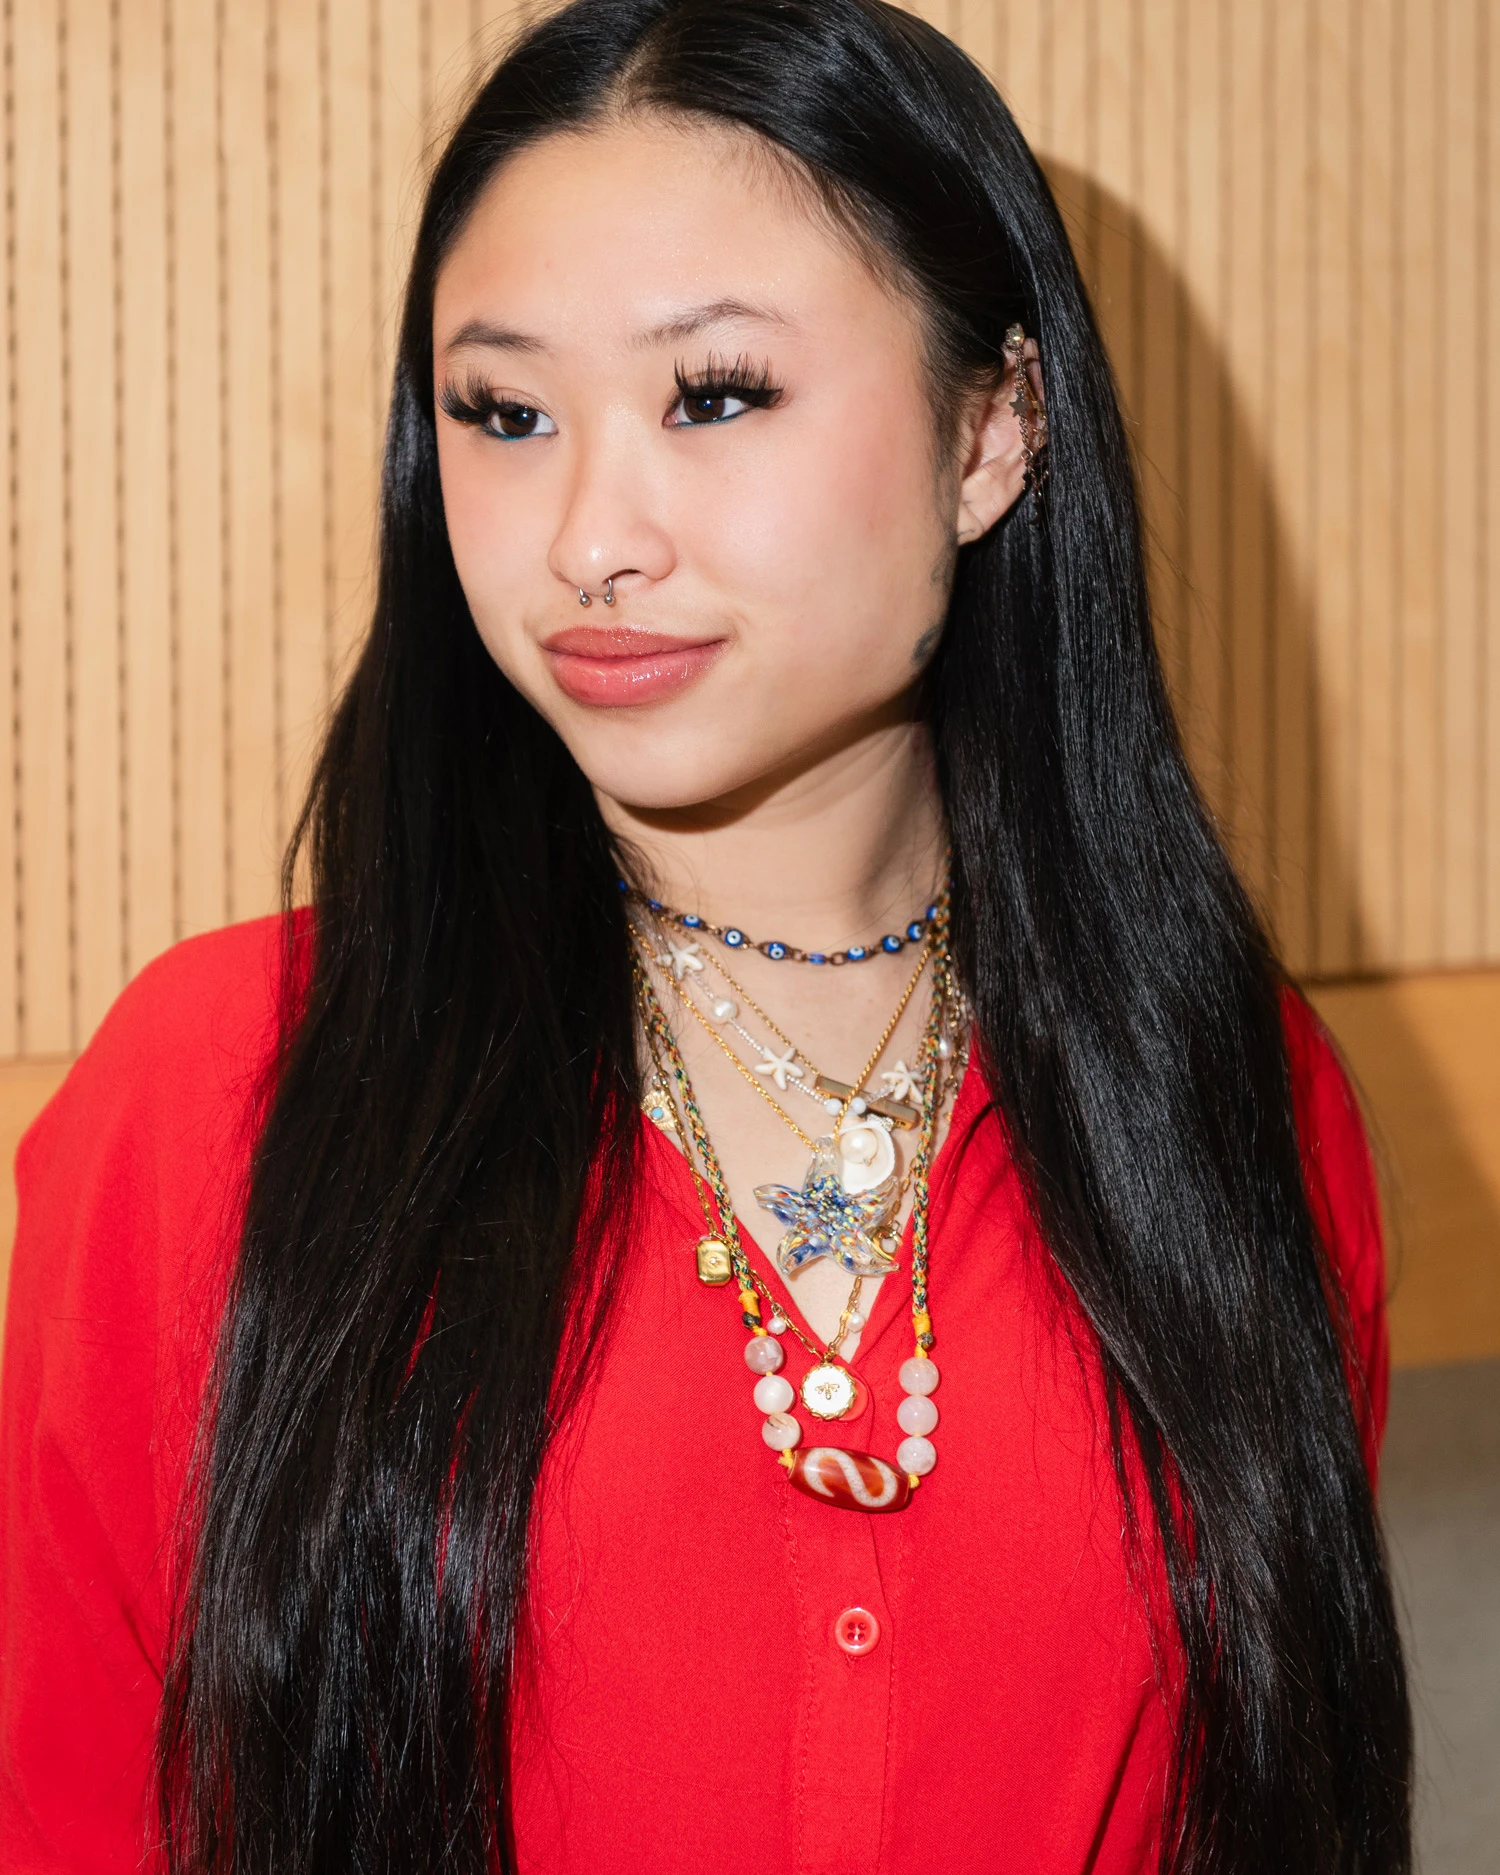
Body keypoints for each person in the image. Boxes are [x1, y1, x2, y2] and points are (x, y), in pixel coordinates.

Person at [0, 1, 1411, 1869]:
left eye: (716, 394)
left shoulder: (1232, 1095)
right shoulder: (218, 1095)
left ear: (994, 432)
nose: (589, 532)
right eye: (503, 414)